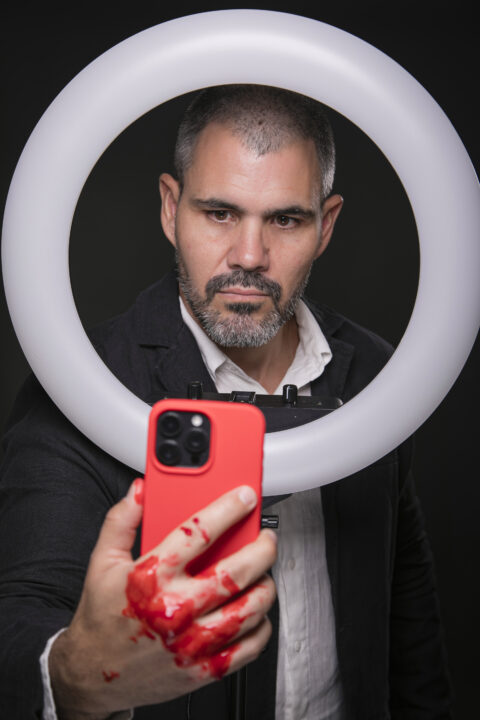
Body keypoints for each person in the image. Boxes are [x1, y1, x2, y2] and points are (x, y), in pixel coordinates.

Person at [0, 85, 451, 719]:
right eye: (219, 213)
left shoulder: (381, 376)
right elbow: (23, 609)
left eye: (285, 220)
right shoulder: (84, 386)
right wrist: (78, 673)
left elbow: (408, 615)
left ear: (326, 225)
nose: (249, 257)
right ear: (170, 208)